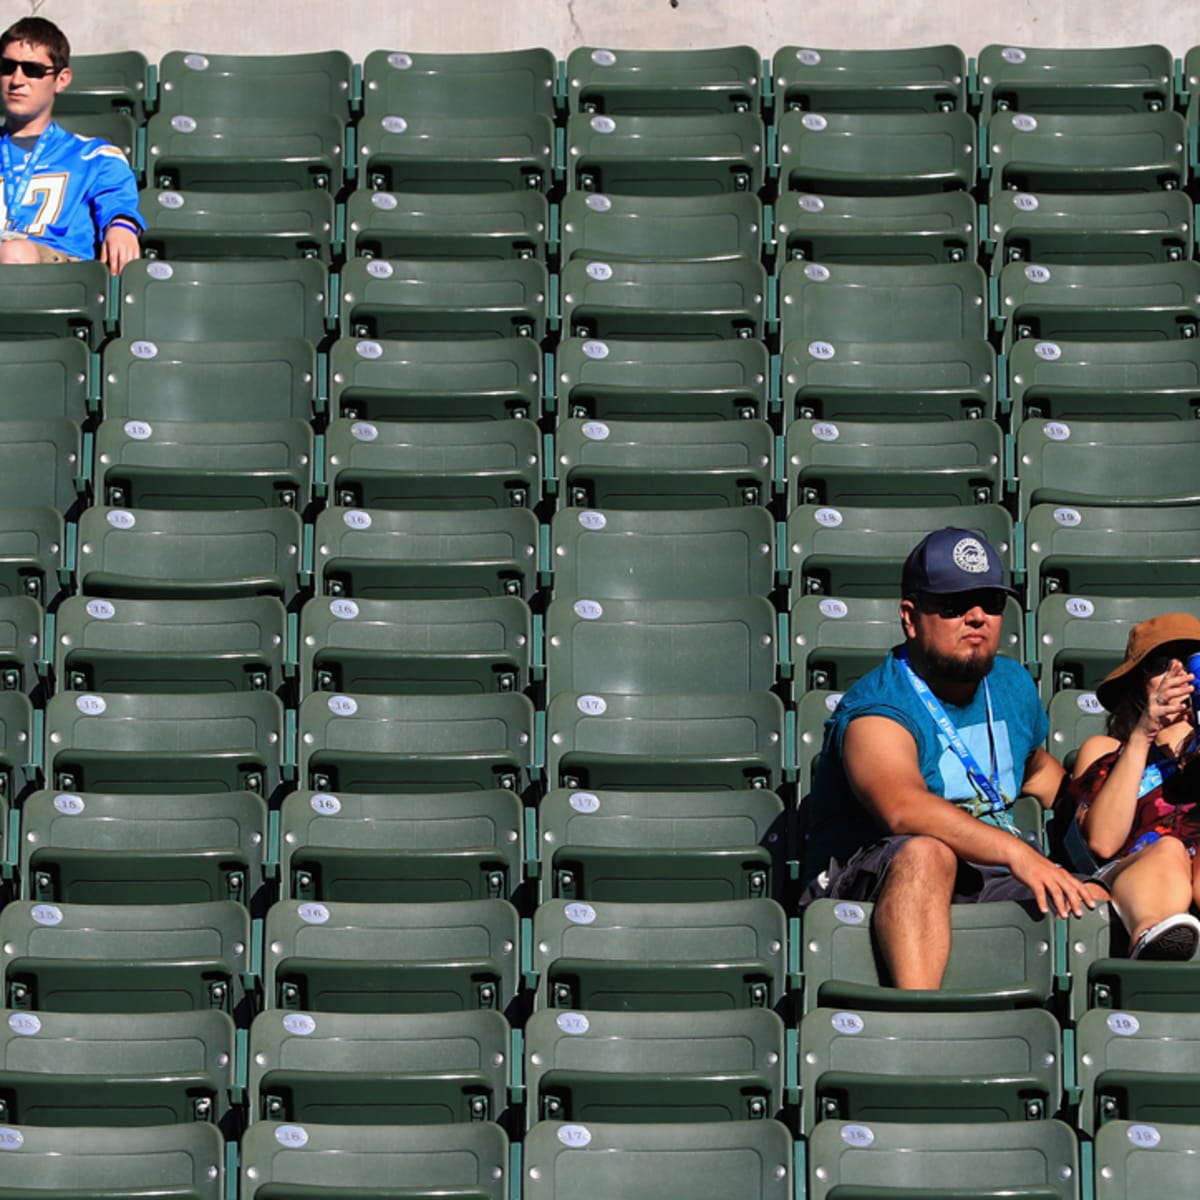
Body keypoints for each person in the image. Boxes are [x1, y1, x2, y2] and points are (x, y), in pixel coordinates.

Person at [804, 526, 1102, 990]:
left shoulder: (1011, 685)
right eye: (953, 605)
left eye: (991, 603)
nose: (977, 617)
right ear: (910, 617)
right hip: (871, 874)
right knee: (928, 852)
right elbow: (903, 809)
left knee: (1101, 898)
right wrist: (1018, 852)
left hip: (986, 871)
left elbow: (1037, 772)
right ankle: (920, 1025)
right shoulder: (878, 709)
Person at [1061, 614, 1200, 960]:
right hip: (1135, 876)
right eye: (1161, 663)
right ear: (1139, 683)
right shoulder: (1107, 751)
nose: (1178, 672)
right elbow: (1103, 843)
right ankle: (1154, 937)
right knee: (1169, 850)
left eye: (1192, 660)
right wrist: (1144, 734)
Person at [0, 17, 141, 273]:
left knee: (14, 252)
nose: (16, 79)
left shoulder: (96, 156)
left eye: (32, 70)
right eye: (7, 67)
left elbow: (118, 204)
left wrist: (122, 226)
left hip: (60, 272)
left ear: (62, 79)